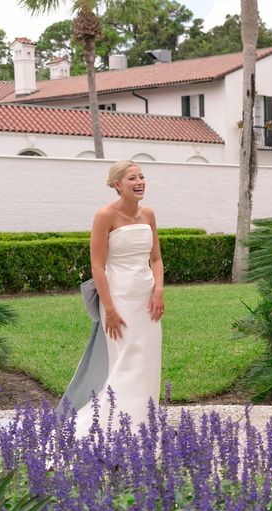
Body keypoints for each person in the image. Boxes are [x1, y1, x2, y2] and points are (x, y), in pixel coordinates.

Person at [62, 160, 164, 434]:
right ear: (118, 185)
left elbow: (156, 259)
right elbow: (97, 266)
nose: (140, 182)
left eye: (142, 177)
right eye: (132, 178)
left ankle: (144, 423)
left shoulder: (149, 214)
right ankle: (116, 426)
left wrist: (158, 290)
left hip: (148, 299)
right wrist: (109, 308)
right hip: (119, 298)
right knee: (125, 360)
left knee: (148, 360)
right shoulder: (104, 215)